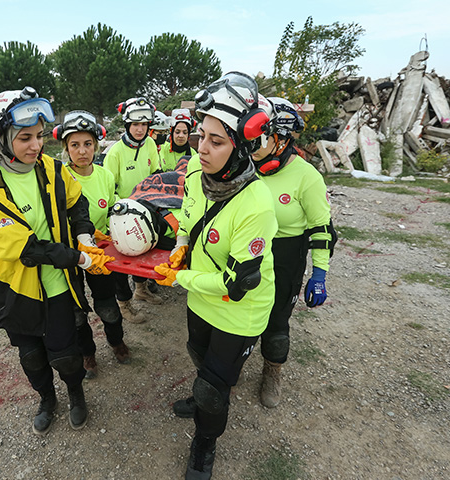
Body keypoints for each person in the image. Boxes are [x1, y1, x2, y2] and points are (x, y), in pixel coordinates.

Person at [154, 72, 278, 479]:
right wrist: (180, 246)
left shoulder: (256, 204)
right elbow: (190, 217)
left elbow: (236, 285)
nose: (201, 148)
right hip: (198, 298)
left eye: (216, 141)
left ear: (242, 147)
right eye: (201, 135)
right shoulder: (195, 170)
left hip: (238, 309)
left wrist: (178, 279)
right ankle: (209, 390)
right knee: (198, 355)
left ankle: (203, 445)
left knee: (212, 389)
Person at [0, 87, 114, 435]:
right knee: (32, 355)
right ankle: (47, 399)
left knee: (65, 350)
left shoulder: (51, 169)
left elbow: (76, 202)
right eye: (24, 138)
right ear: (0, 138)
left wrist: (83, 233)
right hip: (16, 288)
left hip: (57, 284)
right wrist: (77, 257)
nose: (36, 145)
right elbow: (27, 248)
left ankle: (77, 394)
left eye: (38, 136)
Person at [251, 96, 336, 407]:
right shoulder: (246, 168)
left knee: (276, 320)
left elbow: (322, 228)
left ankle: (272, 370)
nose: (250, 145)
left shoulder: (307, 177)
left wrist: (320, 274)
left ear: (280, 138)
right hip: (249, 250)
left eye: (257, 138)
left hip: (286, 255)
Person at [53, 110, 133, 377]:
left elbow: (111, 213)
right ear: (65, 148)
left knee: (107, 305)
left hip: (99, 254)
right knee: (76, 312)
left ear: (97, 145)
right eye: (74, 145)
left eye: (87, 144)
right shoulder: (56, 180)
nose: (82, 151)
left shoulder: (105, 177)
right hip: (69, 255)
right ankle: (87, 353)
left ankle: (116, 340)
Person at [103, 96, 163, 314]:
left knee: (144, 252)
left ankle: (141, 289)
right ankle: (124, 303)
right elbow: (108, 188)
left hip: (146, 210)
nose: (140, 129)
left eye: (144, 124)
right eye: (136, 124)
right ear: (127, 125)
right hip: (122, 213)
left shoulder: (150, 144)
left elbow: (155, 174)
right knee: (120, 262)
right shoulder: (115, 152)